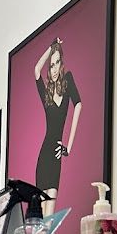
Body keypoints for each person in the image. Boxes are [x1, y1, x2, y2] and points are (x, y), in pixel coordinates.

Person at [34, 38, 83, 216]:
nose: (54, 68)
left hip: (55, 157)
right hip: (44, 156)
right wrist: (51, 47)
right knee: (40, 220)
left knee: (50, 219)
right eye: (51, 65)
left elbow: (78, 104)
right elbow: (36, 70)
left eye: (57, 63)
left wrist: (68, 146)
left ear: (62, 63)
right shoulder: (46, 94)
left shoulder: (68, 81)